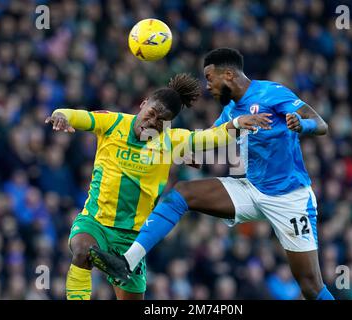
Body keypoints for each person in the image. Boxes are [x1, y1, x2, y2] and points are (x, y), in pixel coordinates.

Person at [90, 48, 335, 300]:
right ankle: (127, 262)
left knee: (310, 287)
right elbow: (207, 141)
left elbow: (321, 124)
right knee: (183, 194)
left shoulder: (271, 93)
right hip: (252, 189)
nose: (207, 86)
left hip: (290, 198)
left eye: (209, 78)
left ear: (228, 74)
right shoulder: (230, 111)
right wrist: (188, 155)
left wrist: (302, 124)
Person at [45, 72, 272, 300]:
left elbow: (211, 138)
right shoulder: (112, 122)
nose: (152, 122)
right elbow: (76, 115)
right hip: (95, 221)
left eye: (160, 122)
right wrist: (60, 115)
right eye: (151, 113)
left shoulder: (171, 141)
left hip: (133, 239)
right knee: (83, 251)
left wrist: (237, 123)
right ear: (143, 104)